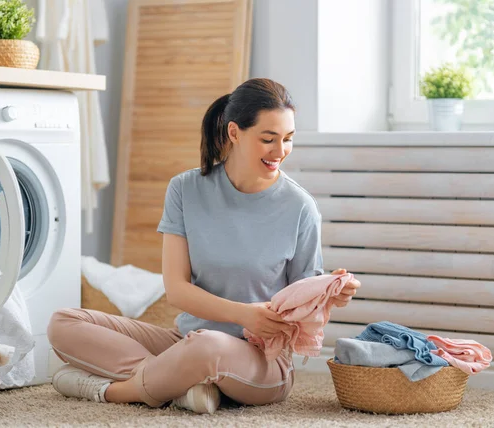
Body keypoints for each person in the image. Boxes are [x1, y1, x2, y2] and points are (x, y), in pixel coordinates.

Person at [47, 78, 361, 414]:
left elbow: (302, 301)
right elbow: (177, 291)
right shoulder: (185, 189)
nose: (280, 151)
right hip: (185, 341)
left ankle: (114, 391)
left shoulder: (301, 207)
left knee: (207, 347)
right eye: (268, 139)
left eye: (287, 139)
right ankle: (184, 383)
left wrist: (329, 293)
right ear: (234, 133)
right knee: (63, 323)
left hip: (262, 360)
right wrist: (244, 314)